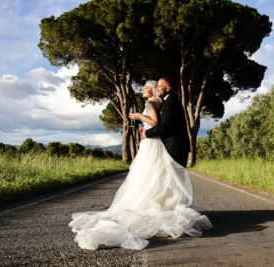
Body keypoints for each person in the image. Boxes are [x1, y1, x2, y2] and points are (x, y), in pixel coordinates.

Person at [68, 80, 213, 250]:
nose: (144, 90)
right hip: (153, 142)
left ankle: (156, 205)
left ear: (155, 90)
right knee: (153, 176)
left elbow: (157, 123)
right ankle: (165, 203)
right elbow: (158, 123)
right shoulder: (161, 102)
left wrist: (139, 118)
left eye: (148, 87)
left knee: (151, 175)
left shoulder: (153, 102)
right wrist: (144, 129)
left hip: (153, 143)